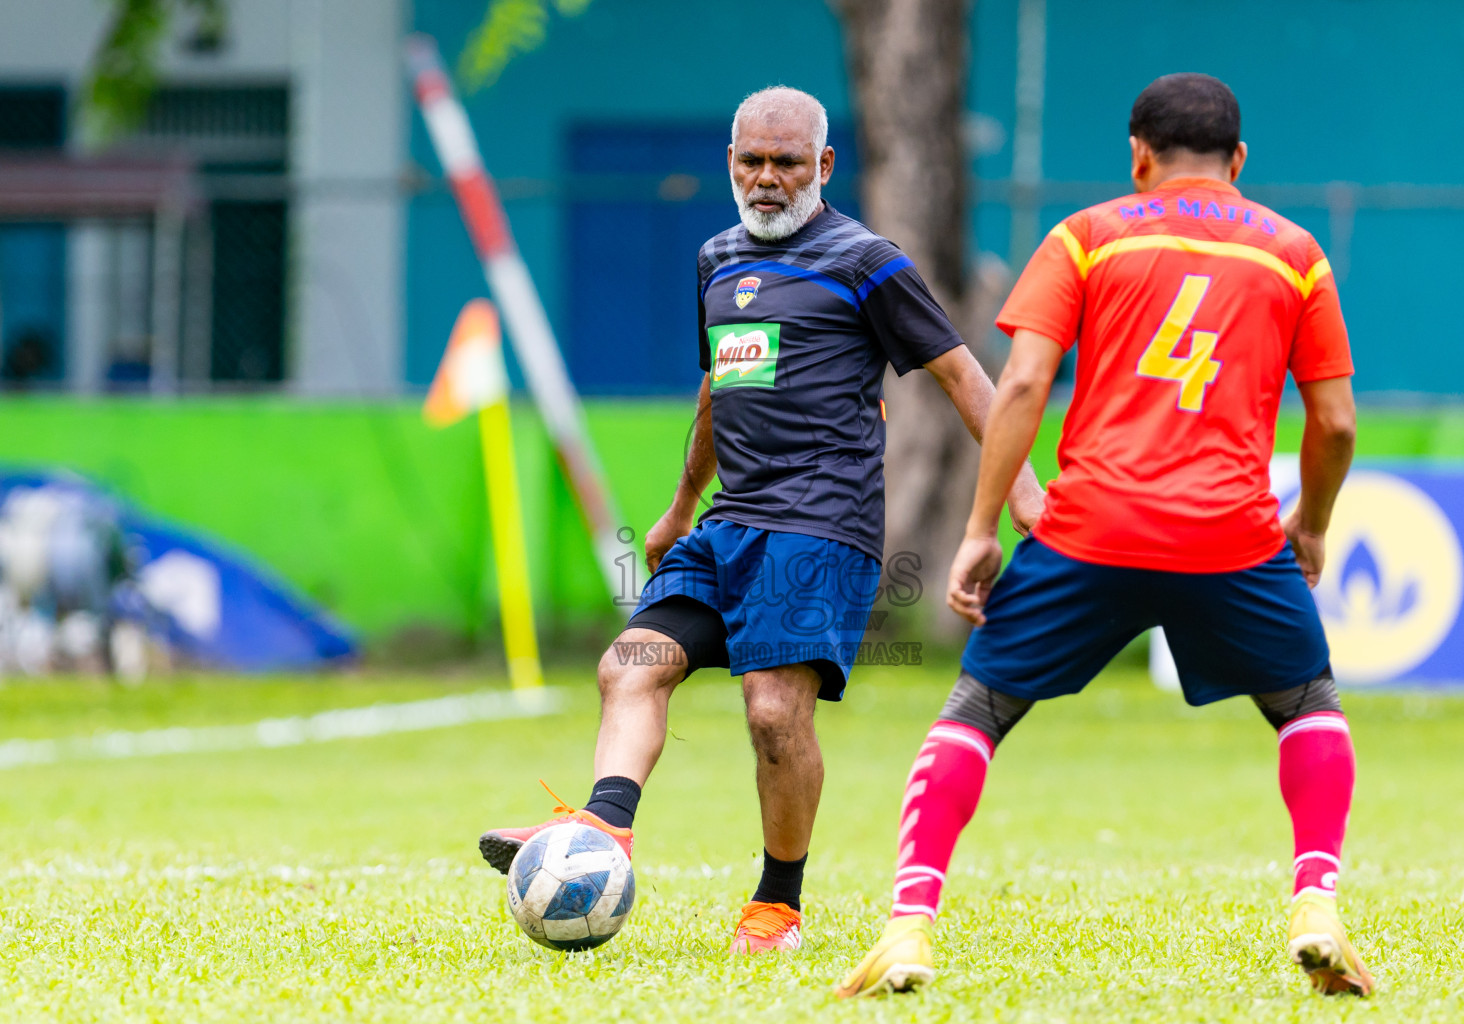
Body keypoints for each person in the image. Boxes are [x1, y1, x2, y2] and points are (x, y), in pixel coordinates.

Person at [835, 73, 1372, 998]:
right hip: (1231, 535)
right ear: (1240, 160)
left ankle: (910, 927)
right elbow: (1335, 426)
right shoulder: (1297, 255)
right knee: (1307, 704)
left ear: (1138, 154)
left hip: (1092, 527)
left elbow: (1020, 385)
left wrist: (979, 526)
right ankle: (1317, 904)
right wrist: (1310, 524)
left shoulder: (1084, 236)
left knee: (976, 712)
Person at [478, 87, 1046, 954]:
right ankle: (601, 832)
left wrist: (1021, 491)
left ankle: (778, 904)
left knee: (774, 712)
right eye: (752, 161)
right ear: (731, 163)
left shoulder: (868, 262)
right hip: (730, 521)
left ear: (823, 166)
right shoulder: (715, 258)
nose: (768, 178)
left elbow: (970, 379)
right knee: (629, 667)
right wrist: (677, 509)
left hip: (823, 523)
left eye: (788, 162)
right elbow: (717, 390)